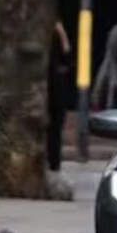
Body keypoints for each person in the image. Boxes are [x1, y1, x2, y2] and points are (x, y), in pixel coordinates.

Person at [46, 21, 73, 172]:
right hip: (45, 86)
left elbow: (67, 57)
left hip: (56, 88)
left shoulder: (58, 37)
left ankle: (53, 163)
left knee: (55, 129)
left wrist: (61, 33)